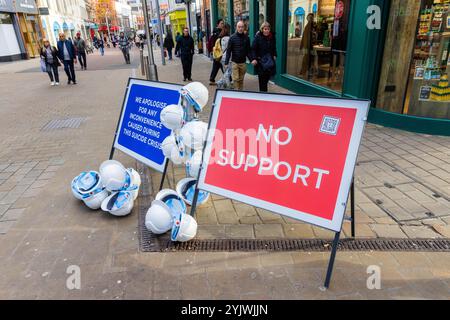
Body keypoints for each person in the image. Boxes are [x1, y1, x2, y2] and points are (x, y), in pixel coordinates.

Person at [224, 21, 252, 91]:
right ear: (236, 28)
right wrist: (226, 62)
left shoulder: (247, 38)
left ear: (244, 28)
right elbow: (228, 51)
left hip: (243, 63)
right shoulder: (232, 38)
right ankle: (236, 92)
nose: (240, 28)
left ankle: (240, 92)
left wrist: (252, 60)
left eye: (242, 27)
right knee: (236, 79)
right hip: (235, 62)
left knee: (241, 79)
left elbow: (248, 51)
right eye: (239, 27)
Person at [251, 22, 277, 92]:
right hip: (261, 62)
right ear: (262, 29)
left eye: (268, 29)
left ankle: (264, 93)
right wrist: (254, 58)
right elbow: (253, 49)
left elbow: (274, 47)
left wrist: (275, 54)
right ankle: (263, 95)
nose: (266, 31)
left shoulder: (272, 37)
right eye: (265, 29)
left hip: (269, 61)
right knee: (262, 82)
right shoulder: (258, 37)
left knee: (267, 78)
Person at [208, 19, 224, 85]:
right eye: (221, 23)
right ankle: (230, 79)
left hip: (219, 53)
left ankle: (212, 79)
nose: (223, 24)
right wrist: (213, 51)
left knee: (216, 66)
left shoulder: (220, 31)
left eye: (223, 23)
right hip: (218, 53)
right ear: (218, 24)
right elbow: (213, 43)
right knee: (223, 66)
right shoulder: (216, 33)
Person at [300, 13, 315, 77]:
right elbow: (304, 36)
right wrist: (301, 45)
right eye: (309, 18)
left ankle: (306, 72)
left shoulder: (313, 26)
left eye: (311, 18)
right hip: (307, 46)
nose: (310, 19)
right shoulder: (308, 26)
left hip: (310, 46)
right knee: (306, 59)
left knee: (309, 59)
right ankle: (304, 72)